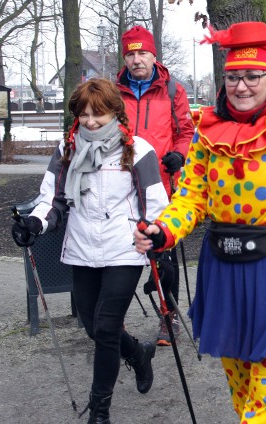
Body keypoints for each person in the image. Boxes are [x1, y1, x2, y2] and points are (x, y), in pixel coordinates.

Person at [133, 22, 266, 423]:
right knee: (242, 384)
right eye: (234, 76)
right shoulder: (207, 133)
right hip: (224, 267)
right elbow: (191, 198)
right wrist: (162, 231)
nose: (242, 86)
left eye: (253, 76)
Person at [11, 79, 170, 422]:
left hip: (124, 247)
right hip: (81, 246)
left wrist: (155, 233)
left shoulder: (138, 149)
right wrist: (35, 224)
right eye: (83, 115)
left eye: (98, 114)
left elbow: (156, 203)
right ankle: (138, 353)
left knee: (107, 327)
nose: (90, 122)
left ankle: (100, 410)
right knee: (92, 327)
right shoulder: (67, 149)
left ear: (114, 111)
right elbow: (51, 199)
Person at [116, 25, 195, 346]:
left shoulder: (173, 89)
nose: (137, 60)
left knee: (163, 255)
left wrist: (179, 154)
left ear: (153, 55)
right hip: (122, 186)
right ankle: (114, 320)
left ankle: (168, 316)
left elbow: (187, 131)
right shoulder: (113, 91)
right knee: (120, 254)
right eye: (131, 54)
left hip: (162, 185)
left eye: (142, 53)